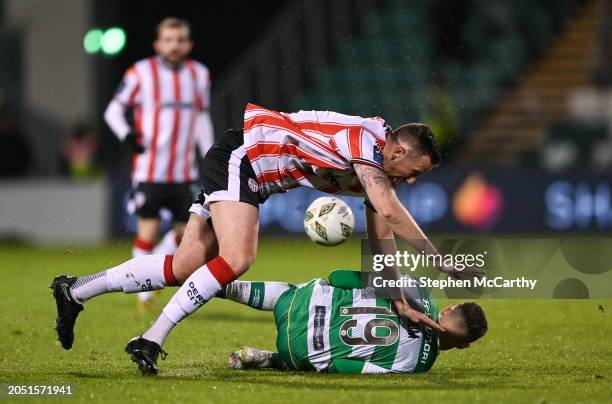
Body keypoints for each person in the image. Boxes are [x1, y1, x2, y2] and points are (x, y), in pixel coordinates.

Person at [51, 103, 480, 374]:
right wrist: (439, 258)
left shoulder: (376, 170)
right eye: (416, 172)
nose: (413, 180)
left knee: (184, 266)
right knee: (238, 257)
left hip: (250, 171)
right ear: (398, 151)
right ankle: (152, 338)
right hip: (244, 157)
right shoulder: (363, 142)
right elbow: (389, 212)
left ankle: (76, 290)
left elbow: (382, 234)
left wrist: (395, 295)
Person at [128, 270, 488, 375]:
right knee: (321, 356)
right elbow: (351, 366)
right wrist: (317, 361)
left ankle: (206, 282)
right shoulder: (418, 364)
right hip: (302, 351)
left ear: (448, 309)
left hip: (300, 304)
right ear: (465, 345)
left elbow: (342, 276)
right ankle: (270, 358)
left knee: (293, 290)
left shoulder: (413, 286)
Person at [103, 17, 214, 308]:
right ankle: (144, 294)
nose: (174, 45)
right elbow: (113, 111)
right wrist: (127, 136)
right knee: (147, 232)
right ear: (157, 44)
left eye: (180, 40)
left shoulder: (199, 74)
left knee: (187, 234)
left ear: (188, 44)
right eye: (168, 40)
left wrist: (210, 153)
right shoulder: (140, 72)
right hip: (149, 171)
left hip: (184, 172)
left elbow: (201, 117)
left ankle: (152, 272)